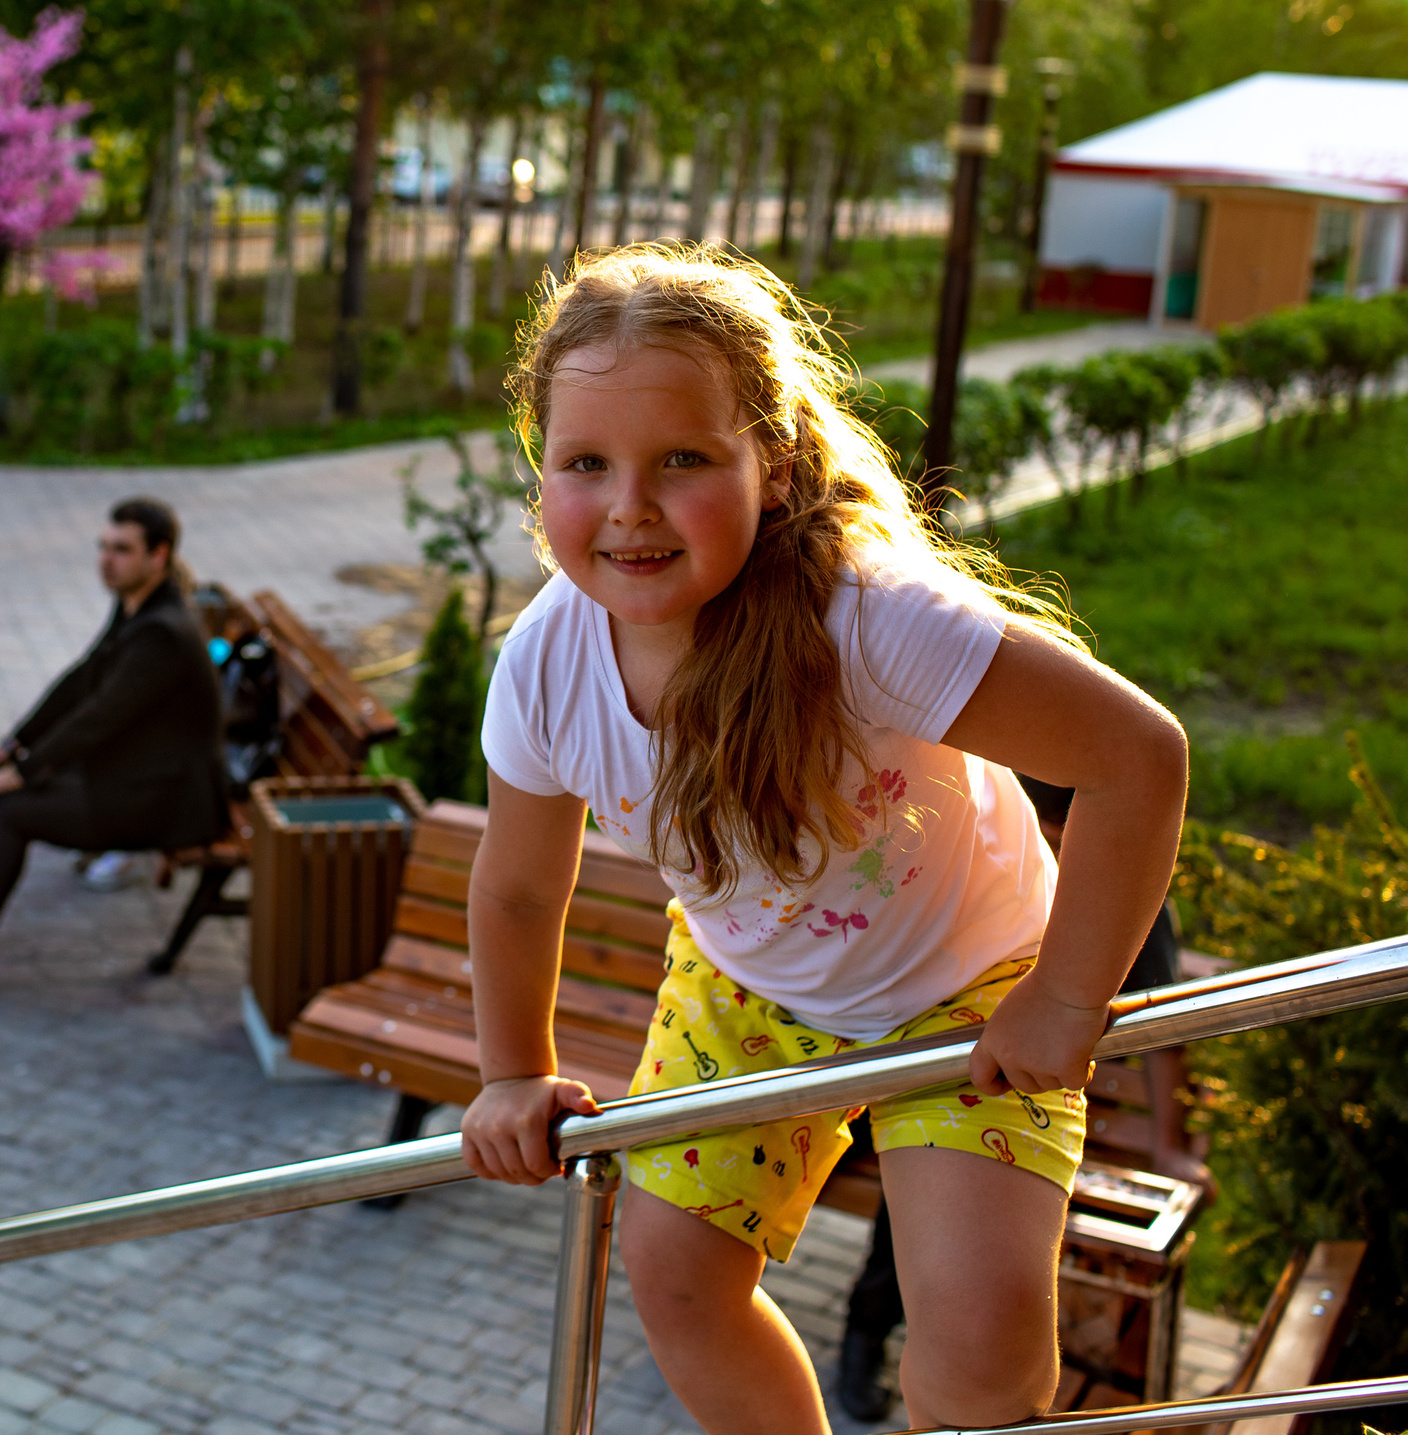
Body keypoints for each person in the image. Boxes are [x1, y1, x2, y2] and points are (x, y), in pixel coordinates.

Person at [458, 248, 1188, 1435]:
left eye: (682, 460)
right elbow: (518, 887)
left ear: (776, 463)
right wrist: (509, 1072)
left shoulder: (870, 618)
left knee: (983, 1348)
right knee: (672, 1278)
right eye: (585, 464)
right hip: (745, 983)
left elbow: (1136, 759)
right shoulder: (546, 664)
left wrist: (1063, 1000)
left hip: (968, 989)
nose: (630, 506)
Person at [832, 773, 1202, 1422]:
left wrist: (1169, 1146)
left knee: (940, 1172)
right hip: (898, 1060)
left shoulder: (1121, 879)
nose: (1049, 854)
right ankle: (894, 1335)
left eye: (1059, 839)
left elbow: (1165, 1033)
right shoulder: (970, 846)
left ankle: (868, 1332)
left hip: (1005, 1089)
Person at [0, 497, 228, 998]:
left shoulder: (162, 633)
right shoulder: (140, 605)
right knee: (1, 801)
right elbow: (81, 681)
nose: (106, 561)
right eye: (103, 547)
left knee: (6, 810)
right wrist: (13, 745)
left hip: (164, 802)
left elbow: (99, 718)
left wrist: (18, 775)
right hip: (135, 777)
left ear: (159, 556)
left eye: (122, 550)